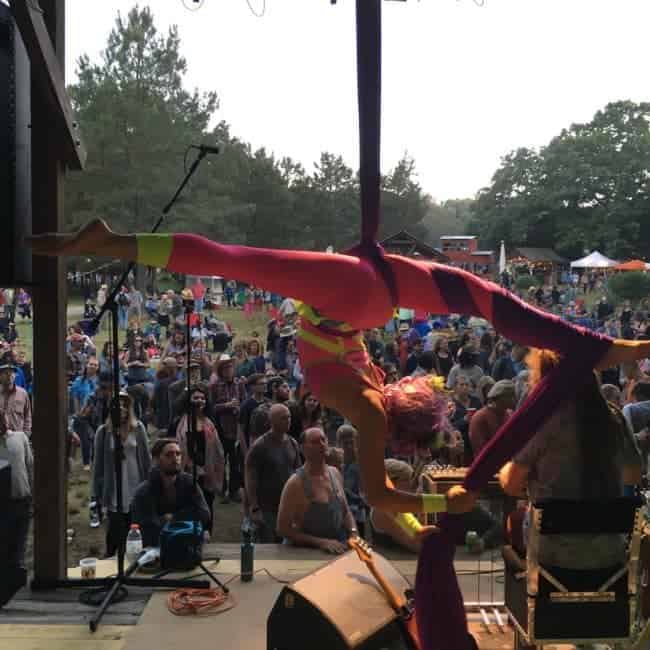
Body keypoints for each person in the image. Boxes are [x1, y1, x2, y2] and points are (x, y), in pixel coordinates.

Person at [29, 218, 650, 522]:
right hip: (350, 306)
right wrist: (441, 506)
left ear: (414, 400)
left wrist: (440, 506)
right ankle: (609, 347)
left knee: (500, 306)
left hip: (362, 291)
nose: (416, 382)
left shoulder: (369, 395)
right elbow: (383, 499)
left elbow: (382, 499)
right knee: (236, 262)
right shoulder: (368, 407)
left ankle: (609, 347)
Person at [499, 349, 642, 570]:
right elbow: (633, 475)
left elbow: (511, 484)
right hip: (608, 554)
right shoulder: (614, 418)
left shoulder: (544, 421)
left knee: (515, 522)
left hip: (551, 556)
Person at [277, 427, 358, 553]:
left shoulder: (335, 473)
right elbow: (282, 529)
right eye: (315, 442)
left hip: (334, 550)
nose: (322, 444)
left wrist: (354, 533)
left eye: (323, 439)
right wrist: (321, 542)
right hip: (302, 554)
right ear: (303, 449)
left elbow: (346, 511)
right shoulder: (295, 483)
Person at [93, 391, 151, 557]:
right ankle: (111, 559)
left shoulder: (138, 428)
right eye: (117, 404)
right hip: (114, 488)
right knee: (115, 529)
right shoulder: (103, 432)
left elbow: (146, 460)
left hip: (136, 483)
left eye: (125, 404)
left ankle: (133, 560)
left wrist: (150, 486)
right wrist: (95, 494)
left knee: (135, 527)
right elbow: (98, 466)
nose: (121, 408)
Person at [131, 438, 211, 547]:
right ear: (156, 459)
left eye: (178, 454)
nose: (175, 458)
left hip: (186, 545)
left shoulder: (189, 482)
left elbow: (204, 513)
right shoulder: (144, 491)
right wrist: (185, 520)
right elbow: (146, 526)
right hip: (155, 547)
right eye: (169, 454)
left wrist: (173, 518)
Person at [244, 403, 301, 542]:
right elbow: (250, 477)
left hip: (287, 504)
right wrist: (254, 507)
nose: (288, 421)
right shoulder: (260, 446)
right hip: (266, 507)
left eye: (289, 417)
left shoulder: (293, 443)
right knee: (268, 547)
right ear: (272, 421)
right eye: (283, 418)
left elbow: (298, 473)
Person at [174, 384, 224, 535]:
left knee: (207, 505)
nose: (200, 401)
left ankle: (207, 531)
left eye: (202, 398)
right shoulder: (179, 423)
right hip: (189, 472)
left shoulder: (209, 423)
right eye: (196, 398)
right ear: (188, 400)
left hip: (207, 473)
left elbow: (217, 449)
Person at [0, 412, 32, 608]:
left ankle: (15, 595)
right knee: (5, 551)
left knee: (18, 550)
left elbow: (30, 466)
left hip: (22, 501)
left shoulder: (19, 438)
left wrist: (34, 495)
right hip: (3, 506)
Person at [210, 354, 246, 503]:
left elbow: (244, 402)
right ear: (221, 370)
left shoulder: (239, 384)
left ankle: (234, 490)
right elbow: (211, 408)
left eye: (230, 367)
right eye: (225, 367)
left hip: (236, 426)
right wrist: (226, 406)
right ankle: (222, 489)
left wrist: (239, 408)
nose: (228, 370)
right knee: (221, 460)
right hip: (221, 427)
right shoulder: (215, 386)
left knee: (236, 460)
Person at [469, 380, 517, 457]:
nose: (514, 399)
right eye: (510, 396)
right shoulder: (480, 417)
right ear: (499, 398)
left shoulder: (510, 414)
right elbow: (480, 450)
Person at [0, 362, 31, 438]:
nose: (9, 375)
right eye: (6, 373)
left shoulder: (23, 393)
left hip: (18, 437)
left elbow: (28, 415)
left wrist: (26, 434)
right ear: (0, 376)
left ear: (15, 375)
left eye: (12, 372)